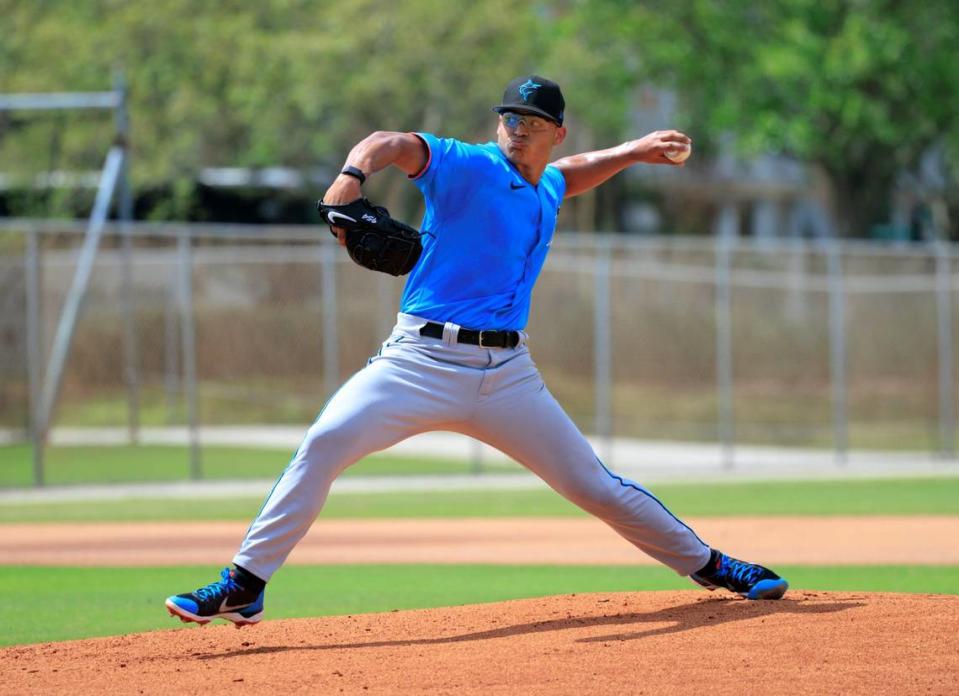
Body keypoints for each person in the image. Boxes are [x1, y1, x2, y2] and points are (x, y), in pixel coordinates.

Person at [165, 75, 787, 627]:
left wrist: (632, 152)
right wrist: (352, 176)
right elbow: (391, 141)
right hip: (418, 363)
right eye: (510, 118)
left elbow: (574, 173)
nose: (518, 130)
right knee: (324, 444)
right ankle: (245, 585)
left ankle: (713, 566)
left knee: (594, 485)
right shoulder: (466, 165)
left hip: (508, 375)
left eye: (534, 122)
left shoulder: (546, 187)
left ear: (556, 132)